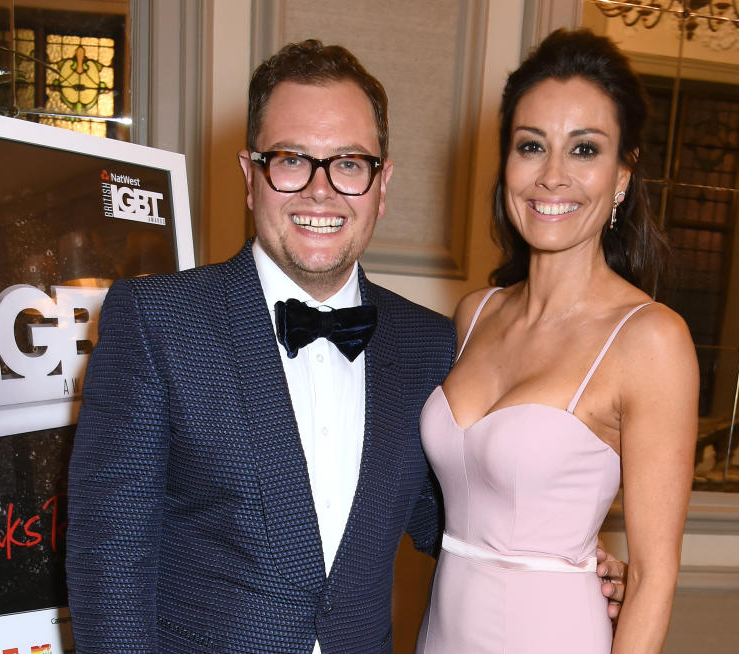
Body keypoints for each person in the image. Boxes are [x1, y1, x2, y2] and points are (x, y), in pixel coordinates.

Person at [65, 39, 626, 654]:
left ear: (382, 186)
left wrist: (570, 560)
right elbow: (107, 563)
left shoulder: (429, 342)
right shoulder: (157, 321)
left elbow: (456, 514)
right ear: (249, 177)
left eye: (350, 163)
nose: (320, 190)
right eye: (290, 160)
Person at [416, 29, 699, 654]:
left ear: (623, 174)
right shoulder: (475, 314)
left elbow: (654, 575)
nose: (552, 176)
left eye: (585, 149)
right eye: (531, 146)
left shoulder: (651, 340)